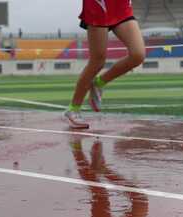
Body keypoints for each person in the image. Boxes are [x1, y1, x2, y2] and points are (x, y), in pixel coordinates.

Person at [63, 0, 146, 129]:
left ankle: (99, 83)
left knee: (138, 55)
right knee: (97, 62)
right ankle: (73, 109)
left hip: (121, 6)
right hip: (98, 6)